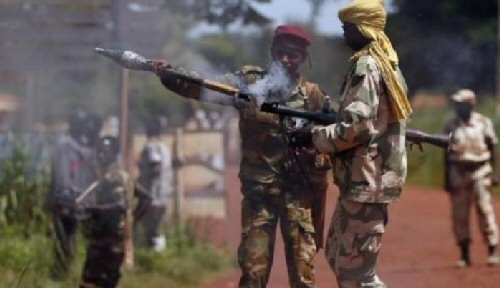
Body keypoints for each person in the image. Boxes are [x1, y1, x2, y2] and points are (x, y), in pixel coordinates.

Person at [153, 24, 330, 288]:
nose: (285, 59)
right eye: (281, 52)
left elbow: (343, 127)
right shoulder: (248, 84)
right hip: (260, 195)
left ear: (303, 59)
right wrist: (169, 75)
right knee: (253, 270)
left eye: (293, 55)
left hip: (299, 194)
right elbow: (204, 86)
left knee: (303, 275)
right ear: (272, 51)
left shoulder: (313, 96)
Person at [310, 0, 412, 286]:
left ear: (363, 29)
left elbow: (357, 127)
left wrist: (316, 137)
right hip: (366, 181)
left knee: (356, 273)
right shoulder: (387, 63)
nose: (343, 33)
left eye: (347, 27)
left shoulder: (367, 65)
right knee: (337, 255)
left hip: (366, 181)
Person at [80, 136, 150, 288]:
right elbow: (145, 199)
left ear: (114, 154)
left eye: (106, 152)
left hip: (109, 240)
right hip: (106, 238)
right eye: (99, 152)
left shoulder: (114, 178)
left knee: (94, 282)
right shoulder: (112, 176)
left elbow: (119, 206)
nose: (101, 156)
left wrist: (93, 210)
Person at [444, 89, 500, 267]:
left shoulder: (483, 122)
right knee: (459, 214)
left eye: (462, 104)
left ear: (470, 104)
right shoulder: (450, 125)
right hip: (458, 171)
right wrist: (446, 178)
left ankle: (492, 250)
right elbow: (445, 153)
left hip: (480, 170)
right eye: (456, 104)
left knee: (485, 209)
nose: (458, 107)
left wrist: (496, 173)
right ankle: (464, 254)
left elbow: (493, 148)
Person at [46, 108, 99, 279]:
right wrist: (67, 198)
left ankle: (68, 273)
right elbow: (62, 177)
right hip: (65, 202)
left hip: (78, 201)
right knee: (64, 241)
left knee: (75, 240)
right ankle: (59, 275)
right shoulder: (64, 145)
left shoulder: (81, 144)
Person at [136, 116, 172, 251]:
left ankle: (154, 255)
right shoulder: (164, 147)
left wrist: (141, 178)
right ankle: (158, 254)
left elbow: (155, 167)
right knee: (156, 227)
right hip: (163, 193)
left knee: (152, 227)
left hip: (152, 194)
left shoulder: (151, 146)